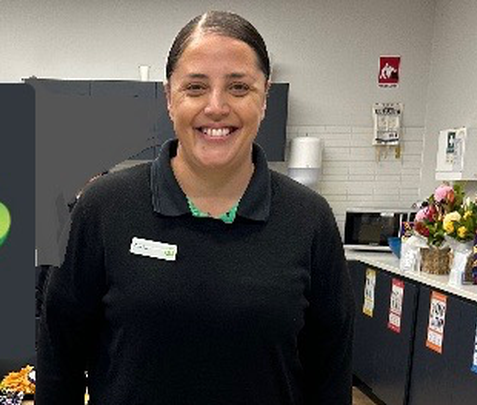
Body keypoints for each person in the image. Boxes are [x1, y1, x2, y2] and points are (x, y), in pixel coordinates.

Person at [37, 11, 354, 404]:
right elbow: (60, 356)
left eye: (239, 87)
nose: (216, 106)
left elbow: (331, 373)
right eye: (196, 87)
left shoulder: (309, 219)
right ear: (170, 98)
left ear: (264, 99)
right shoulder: (103, 208)